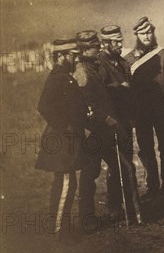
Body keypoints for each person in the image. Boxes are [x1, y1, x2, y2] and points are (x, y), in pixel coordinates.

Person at [74, 30, 132, 233]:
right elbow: (88, 104)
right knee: (90, 173)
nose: (98, 48)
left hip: (104, 129)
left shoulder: (94, 66)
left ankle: (113, 210)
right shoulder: (81, 70)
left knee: (116, 168)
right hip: (93, 130)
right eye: (94, 46)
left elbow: (103, 92)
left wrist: (117, 87)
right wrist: (108, 120)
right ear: (84, 49)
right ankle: (87, 218)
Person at [35, 38, 87, 238]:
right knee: (66, 183)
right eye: (72, 56)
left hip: (67, 139)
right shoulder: (58, 77)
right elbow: (44, 107)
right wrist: (65, 126)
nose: (75, 59)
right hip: (62, 141)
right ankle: (59, 230)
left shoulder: (65, 76)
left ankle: (58, 225)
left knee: (66, 182)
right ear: (61, 56)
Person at [124, 17, 164, 198]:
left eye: (149, 32)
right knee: (145, 149)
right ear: (137, 35)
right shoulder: (128, 59)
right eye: (143, 33)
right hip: (141, 112)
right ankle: (152, 185)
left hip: (161, 110)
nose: (147, 36)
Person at [97, 25, 141, 222]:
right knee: (118, 165)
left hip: (125, 120)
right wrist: (119, 87)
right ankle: (115, 206)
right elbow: (100, 92)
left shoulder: (122, 62)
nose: (120, 44)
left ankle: (123, 205)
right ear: (105, 44)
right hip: (112, 122)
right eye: (115, 41)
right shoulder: (100, 64)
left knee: (126, 161)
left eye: (120, 40)